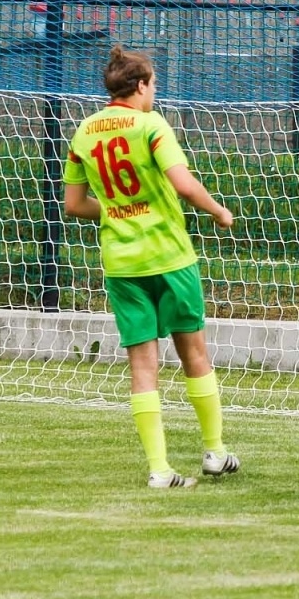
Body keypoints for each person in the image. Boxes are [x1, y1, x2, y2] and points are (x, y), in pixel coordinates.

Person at [62, 45, 241, 489]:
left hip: (122, 264)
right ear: (140, 85)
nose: (154, 92)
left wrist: (116, 209)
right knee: (194, 354)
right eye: (153, 85)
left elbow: (73, 204)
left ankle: (160, 469)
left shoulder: (84, 132)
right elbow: (182, 182)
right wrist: (219, 211)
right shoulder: (150, 125)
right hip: (168, 257)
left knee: (143, 366)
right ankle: (215, 452)